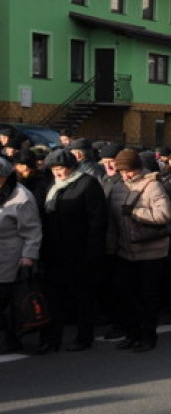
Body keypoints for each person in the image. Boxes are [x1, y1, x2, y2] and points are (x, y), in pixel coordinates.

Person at [36, 149, 106, 353]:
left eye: (61, 168)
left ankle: (84, 337)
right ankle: (51, 339)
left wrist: (93, 252)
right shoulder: (51, 185)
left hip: (80, 251)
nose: (57, 172)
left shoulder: (87, 184)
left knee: (82, 297)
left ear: (72, 167)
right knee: (54, 298)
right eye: (53, 169)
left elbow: (97, 221)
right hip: (54, 252)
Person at [106, 148, 171, 353]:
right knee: (126, 296)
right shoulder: (118, 188)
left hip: (151, 252)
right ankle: (132, 334)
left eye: (130, 171)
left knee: (147, 297)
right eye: (122, 171)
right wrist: (110, 248)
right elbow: (112, 222)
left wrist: (136, 212)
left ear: (138, 168)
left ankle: (148, 336)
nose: (126, 175)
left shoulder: (152, 186)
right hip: (125, 252)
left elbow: (164, 215)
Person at [0, 157, 42, 354]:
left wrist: (29, 256)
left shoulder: (22, 197)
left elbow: (32, 230)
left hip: (9, 257)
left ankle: (10, 339)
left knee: (7, 303)